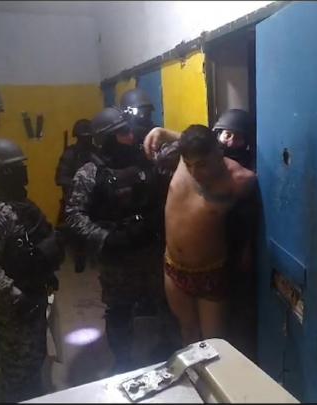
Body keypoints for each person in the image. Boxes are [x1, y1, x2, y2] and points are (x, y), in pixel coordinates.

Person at [62, 106, 168, 373]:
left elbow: (163, 196)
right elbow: (74, 216)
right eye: (122, 132)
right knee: (119, 310)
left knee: (163, 302)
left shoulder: (146, 162)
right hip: (117, 257)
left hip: (150, 249)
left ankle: (166, 350)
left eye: (128, 130)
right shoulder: (90, 173)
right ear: (107, 138)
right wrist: (107, 238)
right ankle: (123, 361)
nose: (130, 136)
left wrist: (152, 223)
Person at [0, 137, 64, 402]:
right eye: (17, 167)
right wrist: (16, 296)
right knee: (18, 376)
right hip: (14, 311)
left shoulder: (18, 205)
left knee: (34, 362)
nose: (24, 171)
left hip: (32, 299)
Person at [159, 125, 257, 344]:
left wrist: (246, 250)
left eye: (202, 165)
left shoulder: (240, 180)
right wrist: (162, 132)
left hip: (209, 273)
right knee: (187, 331)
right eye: (189, 165)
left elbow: (251, 218)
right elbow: (186, 140)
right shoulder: (185, 159)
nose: (195, 173)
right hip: (172, 267)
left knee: (214, 343)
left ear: (218, 152)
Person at [54, 118, 97, 272]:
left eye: (88, 137)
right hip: (75, 198)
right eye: (83, 138)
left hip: (95, 198)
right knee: (75, 230)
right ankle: (79, 258)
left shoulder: (96, 152)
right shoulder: (70, 154)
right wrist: (78, 185)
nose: (86, 141)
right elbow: (60, 179)